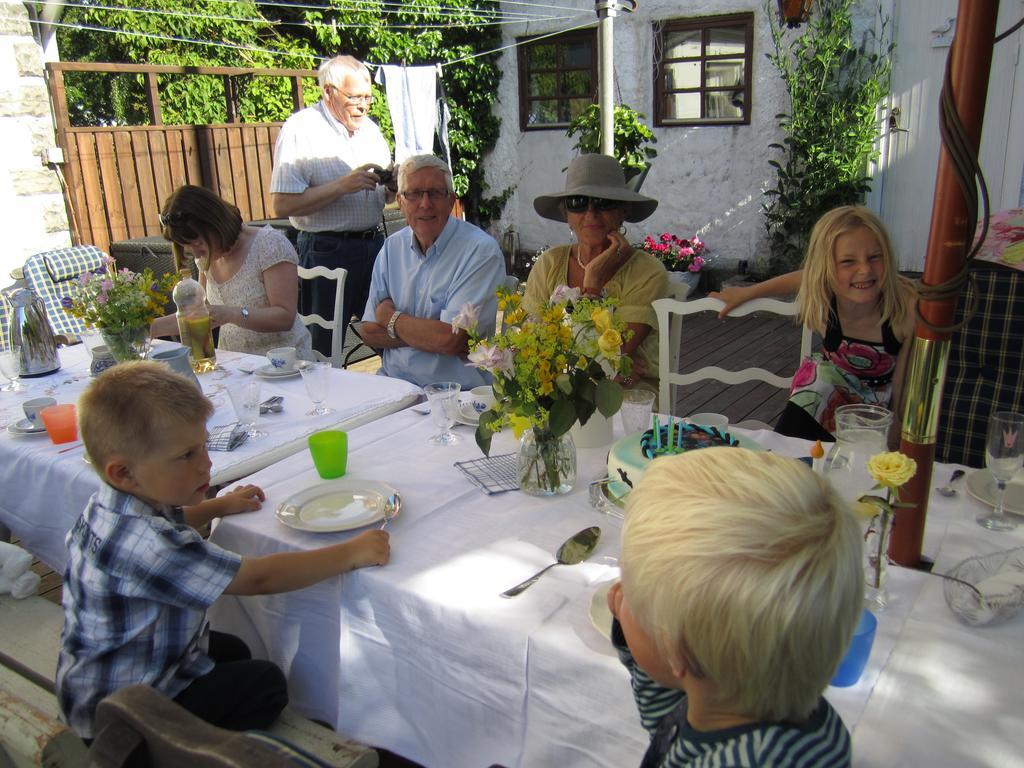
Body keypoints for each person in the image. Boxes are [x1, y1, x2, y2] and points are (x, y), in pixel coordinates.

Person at [56, 361, 390, 740]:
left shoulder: (111, 505)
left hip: (95, 683)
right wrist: (348, 553)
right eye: (187, 455)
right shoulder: (149, 546)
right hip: (122, 719)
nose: (207, 463)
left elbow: (170, 517)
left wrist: (217, 506)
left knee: (231, 648)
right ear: (123, 473)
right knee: (265, 683)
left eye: (203, 446)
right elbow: (258, 577)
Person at [610, 447, 862, 767]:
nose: (619, 593)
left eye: (629, 590)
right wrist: (634, 638)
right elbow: (666, 720)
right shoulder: (744, 699)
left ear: (674, 649)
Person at [710, 206, 917, 440]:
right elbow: (800, 278)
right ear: (825, 269)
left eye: (874, 257)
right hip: (828, 397)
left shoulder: (906, 308)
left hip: (879, 411)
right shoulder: (824, 292)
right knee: (817, 381)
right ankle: (784, 459)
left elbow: (905, 388)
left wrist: (897, 443)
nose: (865, 269)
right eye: (848, 261)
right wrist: (746, 293)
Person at [270, 54, 395, 357]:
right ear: (328, 91)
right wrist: (341, 186)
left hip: (374, 245)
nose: (363, 105)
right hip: (326, 248)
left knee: (388, 336)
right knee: (323, 348)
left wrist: (392, 186)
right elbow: (281, 204)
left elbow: (385, 198)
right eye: (354, 97)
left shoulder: (371, 130)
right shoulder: (302, 128)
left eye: (368, 97)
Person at [527, 153, 669, 396]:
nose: (591, 212)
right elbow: (528, 351)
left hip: (626, 401)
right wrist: (610, 367)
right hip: (556, 397)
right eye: (578, 202)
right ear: (566, 214)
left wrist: (591, 285)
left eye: (604, 202)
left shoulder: (648, 272)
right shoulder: (549, 263)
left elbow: (613, 355)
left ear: (624, 210)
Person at [360, 154, 506, 388]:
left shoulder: (479, 251)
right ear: (400, 200)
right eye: (414, 193)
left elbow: (450, 339)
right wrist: (428, 333)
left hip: (457, 395)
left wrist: (389, 317)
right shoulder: (391, 248)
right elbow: (368, 331)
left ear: (451, 201)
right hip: (393, 386)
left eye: (435, 193)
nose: (425, 203)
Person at [152, 185, 312, 357]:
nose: (196, 254)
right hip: (235, 363)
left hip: (284, 363)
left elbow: (284, 317)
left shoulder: (269, 245)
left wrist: (230, 314)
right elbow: (197, 314)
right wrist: (147, 328)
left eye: (198, 243)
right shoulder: (206, 258)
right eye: (188, 247)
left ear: (215, 225)